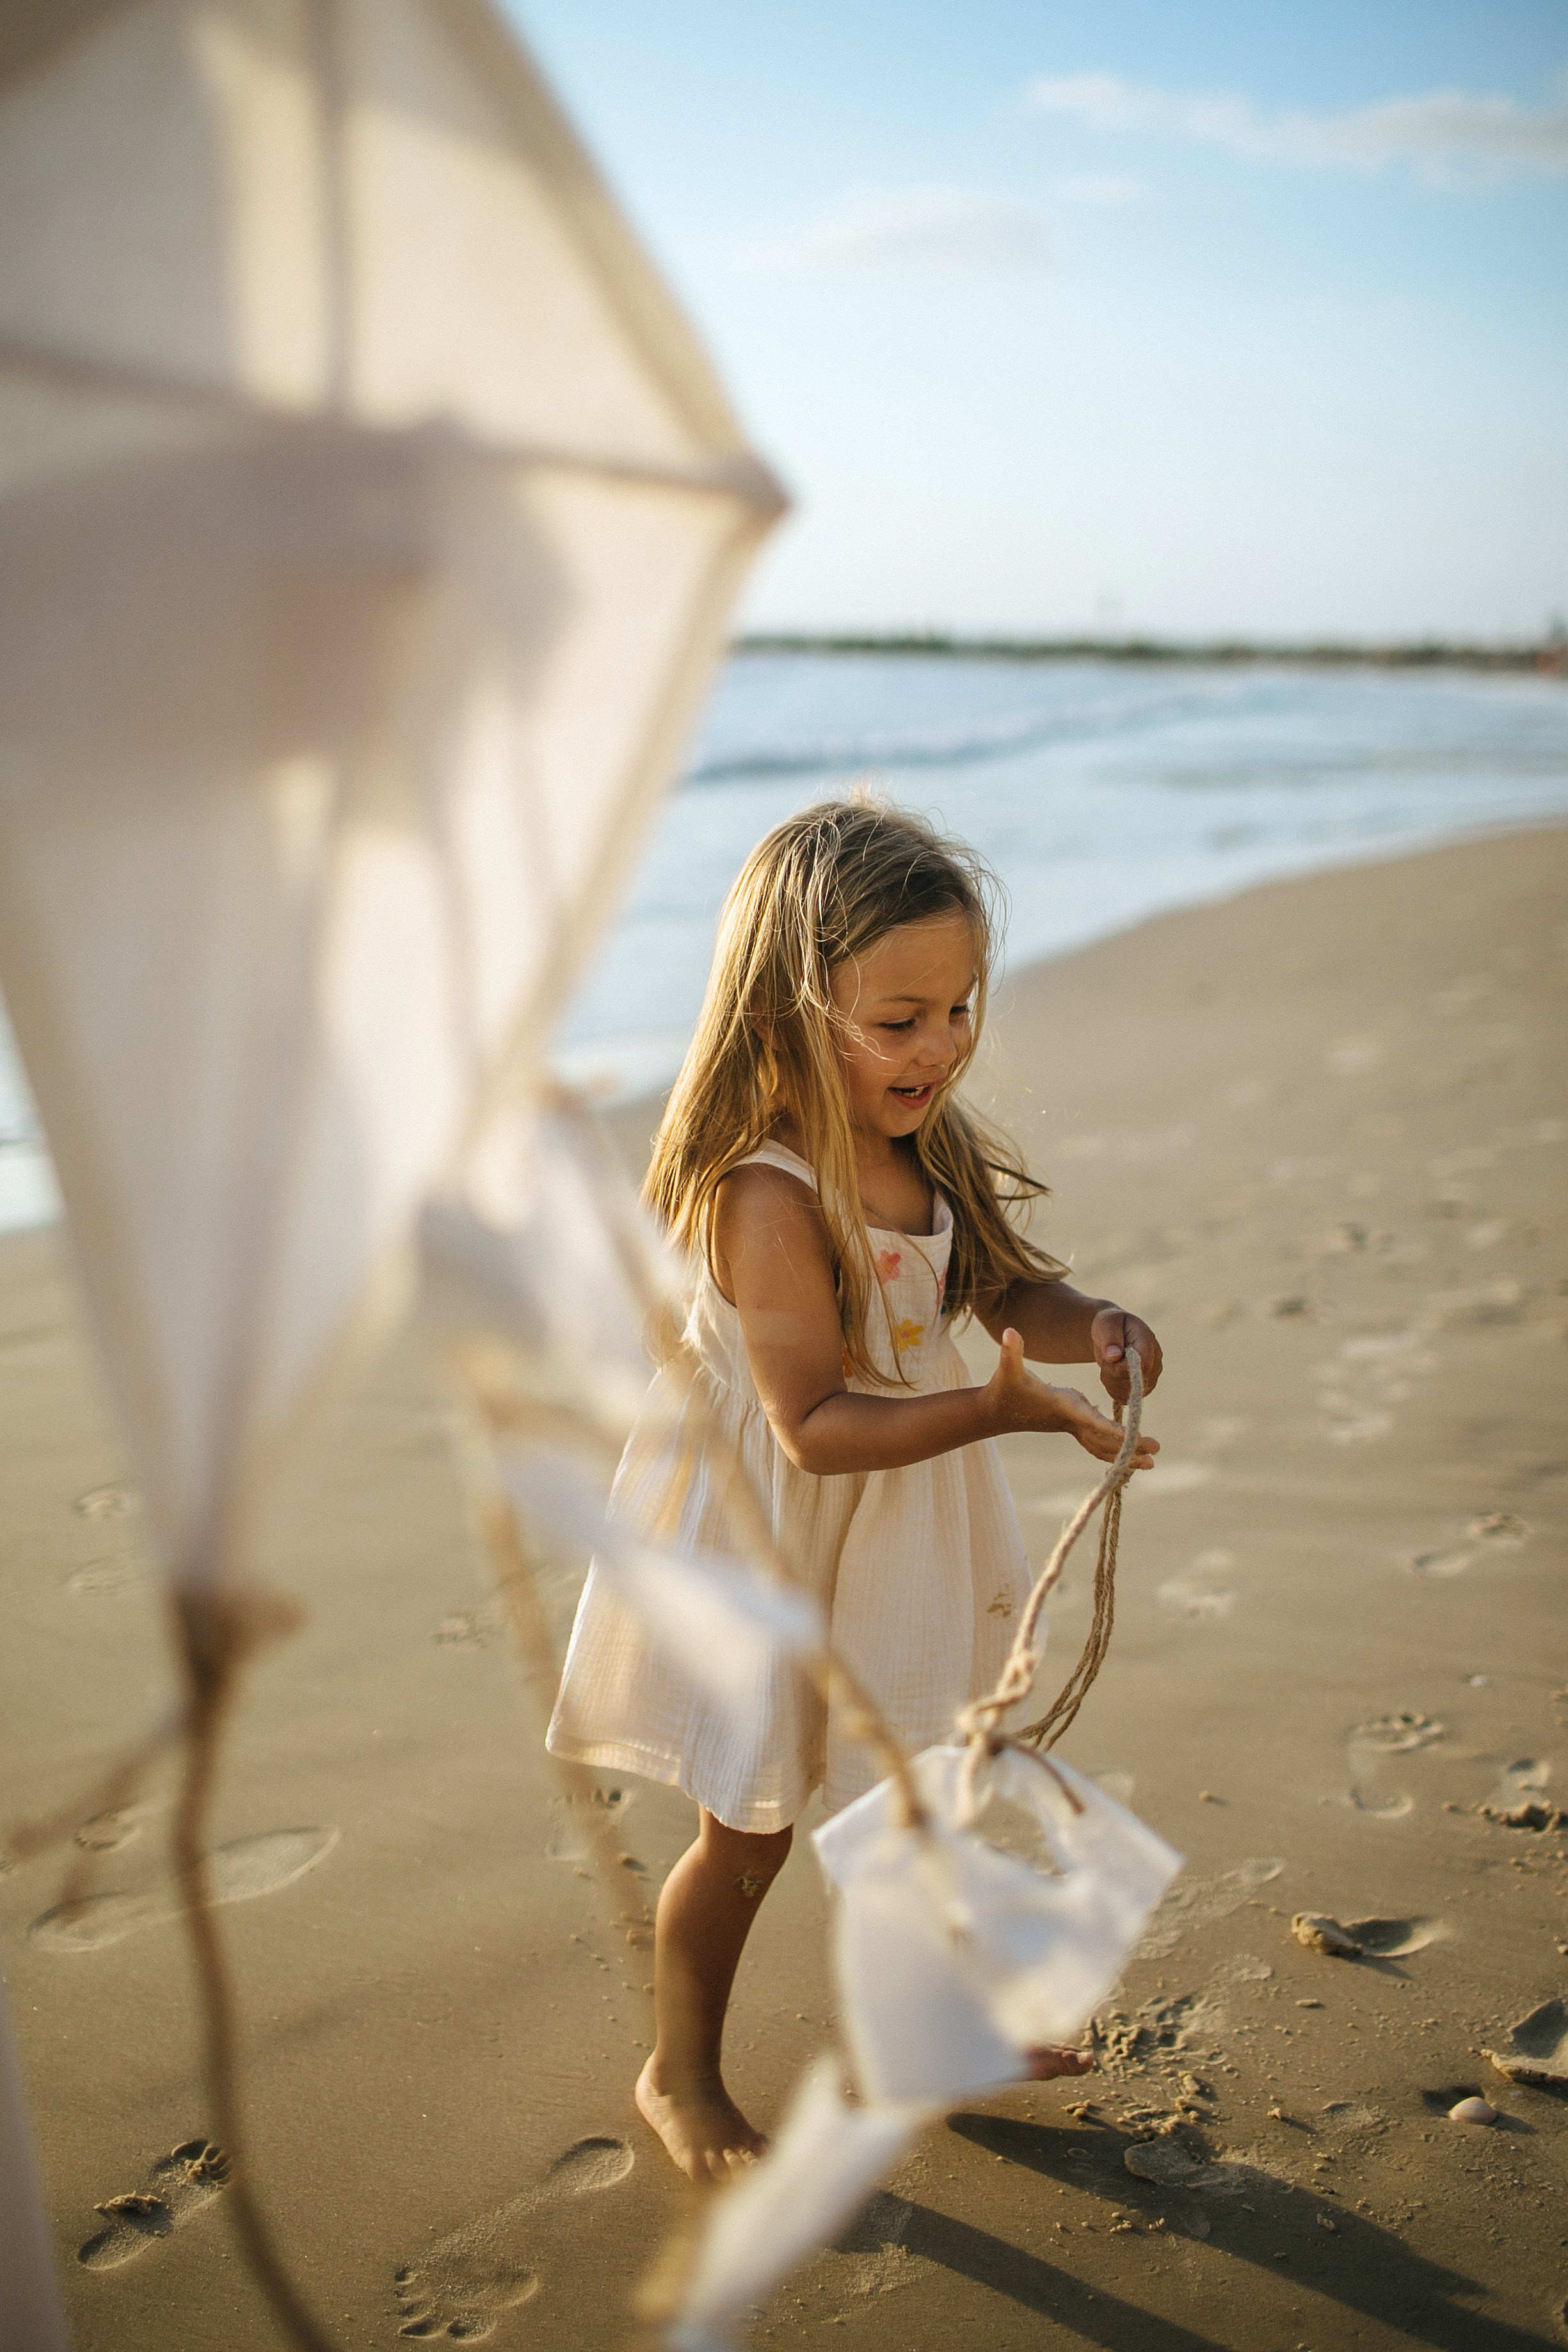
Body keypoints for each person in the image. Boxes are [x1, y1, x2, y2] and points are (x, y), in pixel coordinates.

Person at [548, 797, 1163, 2181]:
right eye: (899, 1019)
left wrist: (1097, 1321)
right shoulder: (766, 1192)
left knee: (914, 1800)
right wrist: (991, 1407)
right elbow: (813, 1422)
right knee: (751, 1830)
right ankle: (679, 2069)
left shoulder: (924, 1145)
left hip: (899, 1530)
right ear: (787, 1011)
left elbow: (1000, 1282)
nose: (940, 1045)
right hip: (770, 1539)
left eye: (959, 1006)